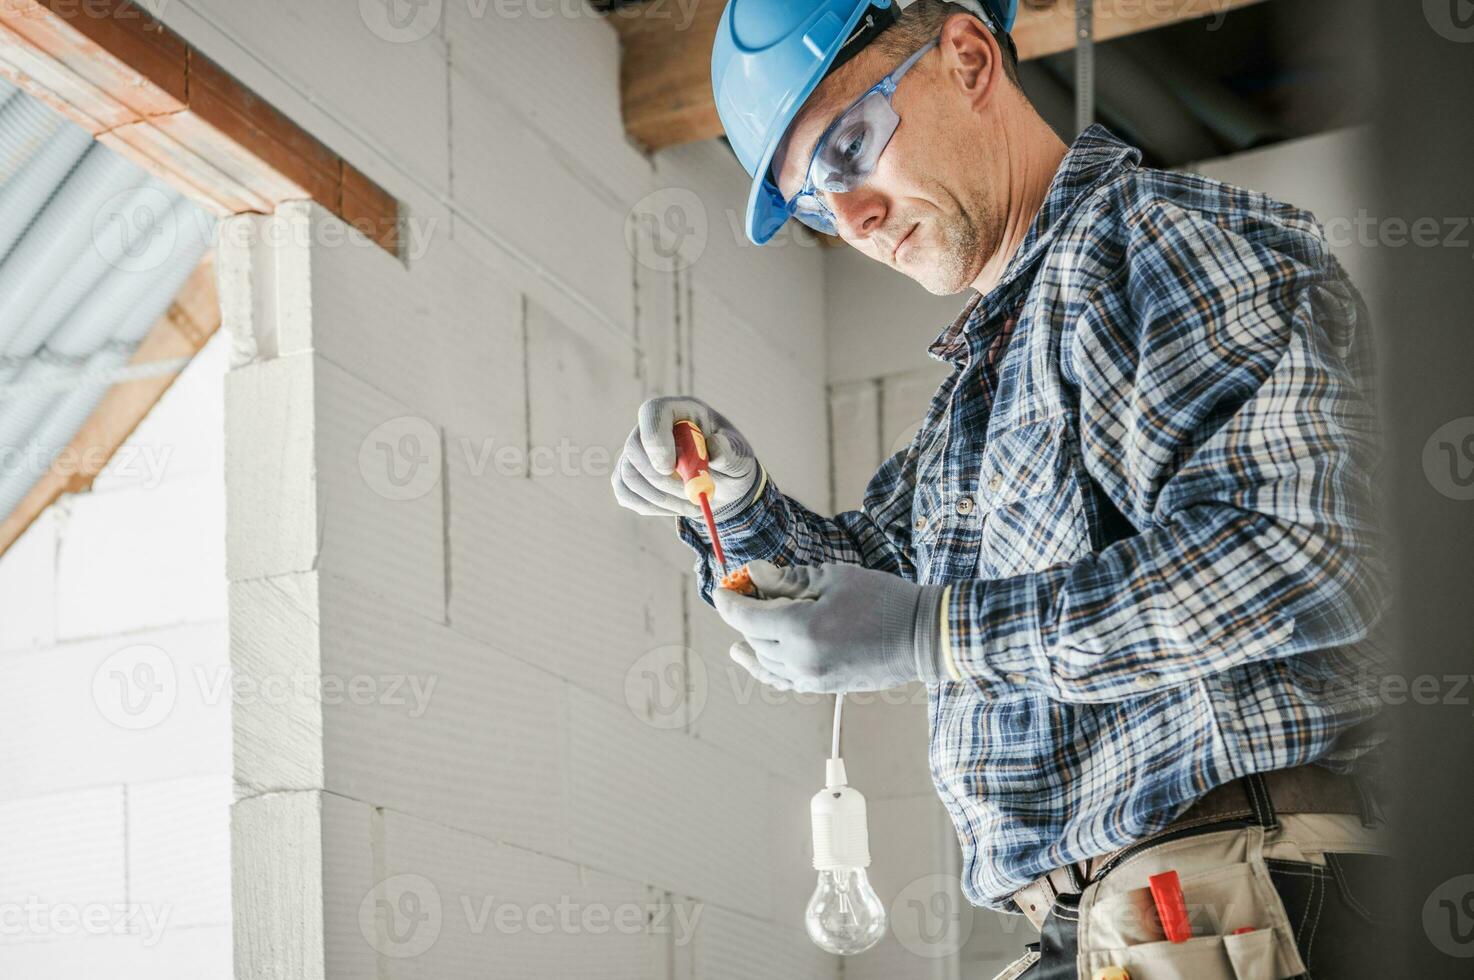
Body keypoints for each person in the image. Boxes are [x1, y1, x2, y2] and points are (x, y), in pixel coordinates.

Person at [611, 1, 1390, 976]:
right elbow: (871, 585)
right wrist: (731, 504)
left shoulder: (1166, 245)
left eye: (850, 147)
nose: (849, 217)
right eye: (813, 199)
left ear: (970, 58)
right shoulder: (974, 396)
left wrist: (934, 633)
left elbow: (1307, 553)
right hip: (1117, 918)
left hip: (1236, 896)